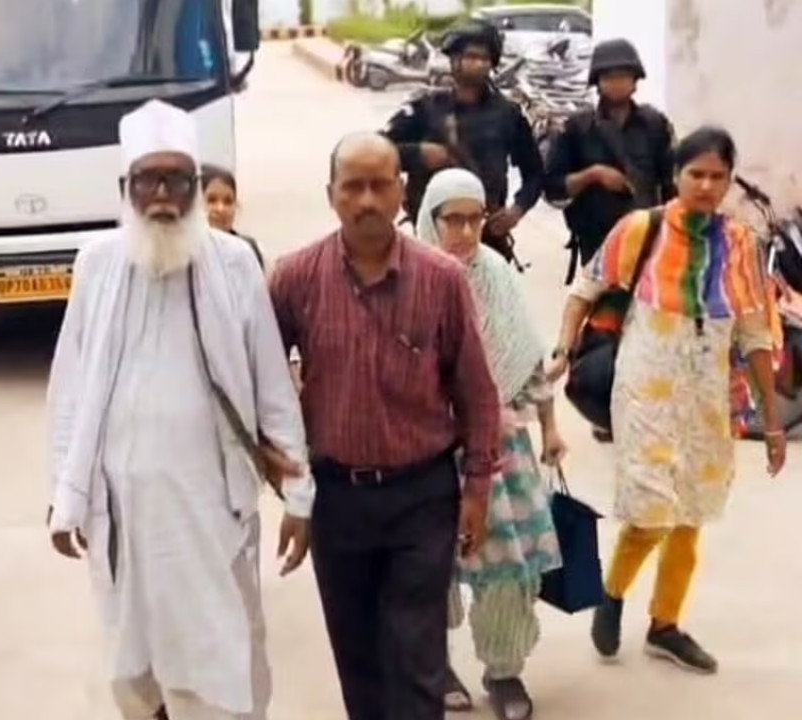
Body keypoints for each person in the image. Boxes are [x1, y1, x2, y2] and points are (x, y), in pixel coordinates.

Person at [46, 98, 313, 720]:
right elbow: (70, 385)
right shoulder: (97, 264)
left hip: (210, 508)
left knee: (220, 655)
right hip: (123, 507)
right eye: (149, 180)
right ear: (126, 187)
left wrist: (299, 495)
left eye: (176, 179)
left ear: (196, 186)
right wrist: (65, 491)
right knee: (132, 663)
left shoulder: (234, 263)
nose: (163, 194)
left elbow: (271, 386)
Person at [269, 132, 502, 720]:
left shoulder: (442, 279)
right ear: (331, 195)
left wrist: (478, 488)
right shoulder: (294, 278)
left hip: (422, 498)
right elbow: (261, 386)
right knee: (359, 659)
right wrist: (289, 484)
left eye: (380, 186)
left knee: (417, 658)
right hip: (337, 499)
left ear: (402, 191)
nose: (368, 200)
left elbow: (477, 393)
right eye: (353, 187)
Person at [547, 126, 788, 674]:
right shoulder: (641, 229)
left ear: (729, 181)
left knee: (692, 513)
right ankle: (613, 594)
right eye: (695, 174)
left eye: (717, 176)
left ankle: (665, 625)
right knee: (652, 510)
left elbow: (755, 335)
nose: (705, 186)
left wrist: (772, 424)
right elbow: (584, 290)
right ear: (676, 175)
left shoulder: (742, 244)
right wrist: (563, 348)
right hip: (645, 393)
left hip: (708, 401)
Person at [414, 169, 565, 720]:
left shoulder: (497, 273)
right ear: (429, 219)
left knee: (508, 565)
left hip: (499, 447)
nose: (464, 231)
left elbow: (526, 355)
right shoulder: (411, 277)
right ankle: (434, 665)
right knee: (428, 567)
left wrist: (549, 427)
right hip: (428, 450)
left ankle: (504, 671)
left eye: (474, 219)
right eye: (451, 219)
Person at [543, 38, 676, 442]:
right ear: (596, 80)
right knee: (604, 332)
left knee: (653, 328)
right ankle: (606, 409)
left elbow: (671, 184)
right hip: (600, 242)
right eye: (609, 76)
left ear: (636, 80)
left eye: (624, 75)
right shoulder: (576, 129)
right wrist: (593, 175)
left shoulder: (654, 125)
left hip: (651, 242)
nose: (617, 82)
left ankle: (648, 406)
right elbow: (553, 186)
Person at [381, 20, 544, 270]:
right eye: (471, 57)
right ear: (454, 60)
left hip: (485, 235)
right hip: (431, 237)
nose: (479, 64)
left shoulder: (508, 114)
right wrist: (419, 154)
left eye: (484, 58)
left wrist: (516, 211)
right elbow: (376, 152)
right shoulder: (426, 107)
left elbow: (535, 173)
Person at [201, 164, 264, 268]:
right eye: (211, 200)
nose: (221, 209)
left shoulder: (247, 250)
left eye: (228, 201)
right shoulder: (184, 253)